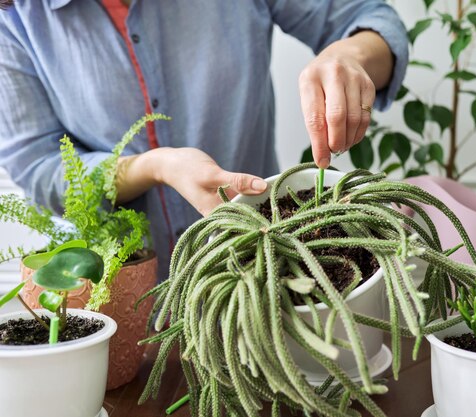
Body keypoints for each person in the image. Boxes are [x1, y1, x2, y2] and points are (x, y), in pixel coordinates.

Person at [0, 0, 408, 280]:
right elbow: (39, 168)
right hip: (124, 299)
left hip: (270, 277)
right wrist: (154, 166)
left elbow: (369, 18)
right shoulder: (16, 19)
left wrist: (350, 56)